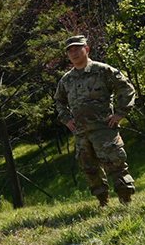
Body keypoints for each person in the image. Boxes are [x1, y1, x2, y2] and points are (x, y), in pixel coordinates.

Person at [53, 35, 137, 206]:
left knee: (115, 163)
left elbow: (126, 88)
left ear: (87, 49)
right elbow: (59, 102)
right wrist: (67, 120)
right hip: (81, 132)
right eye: (70, 51)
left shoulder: (102, 70)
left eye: (77, 48)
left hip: (104, 129)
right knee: (90, 169)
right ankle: (103, 202)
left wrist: (120, 113)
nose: (74, 53)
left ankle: (125, 200)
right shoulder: (66, 80)